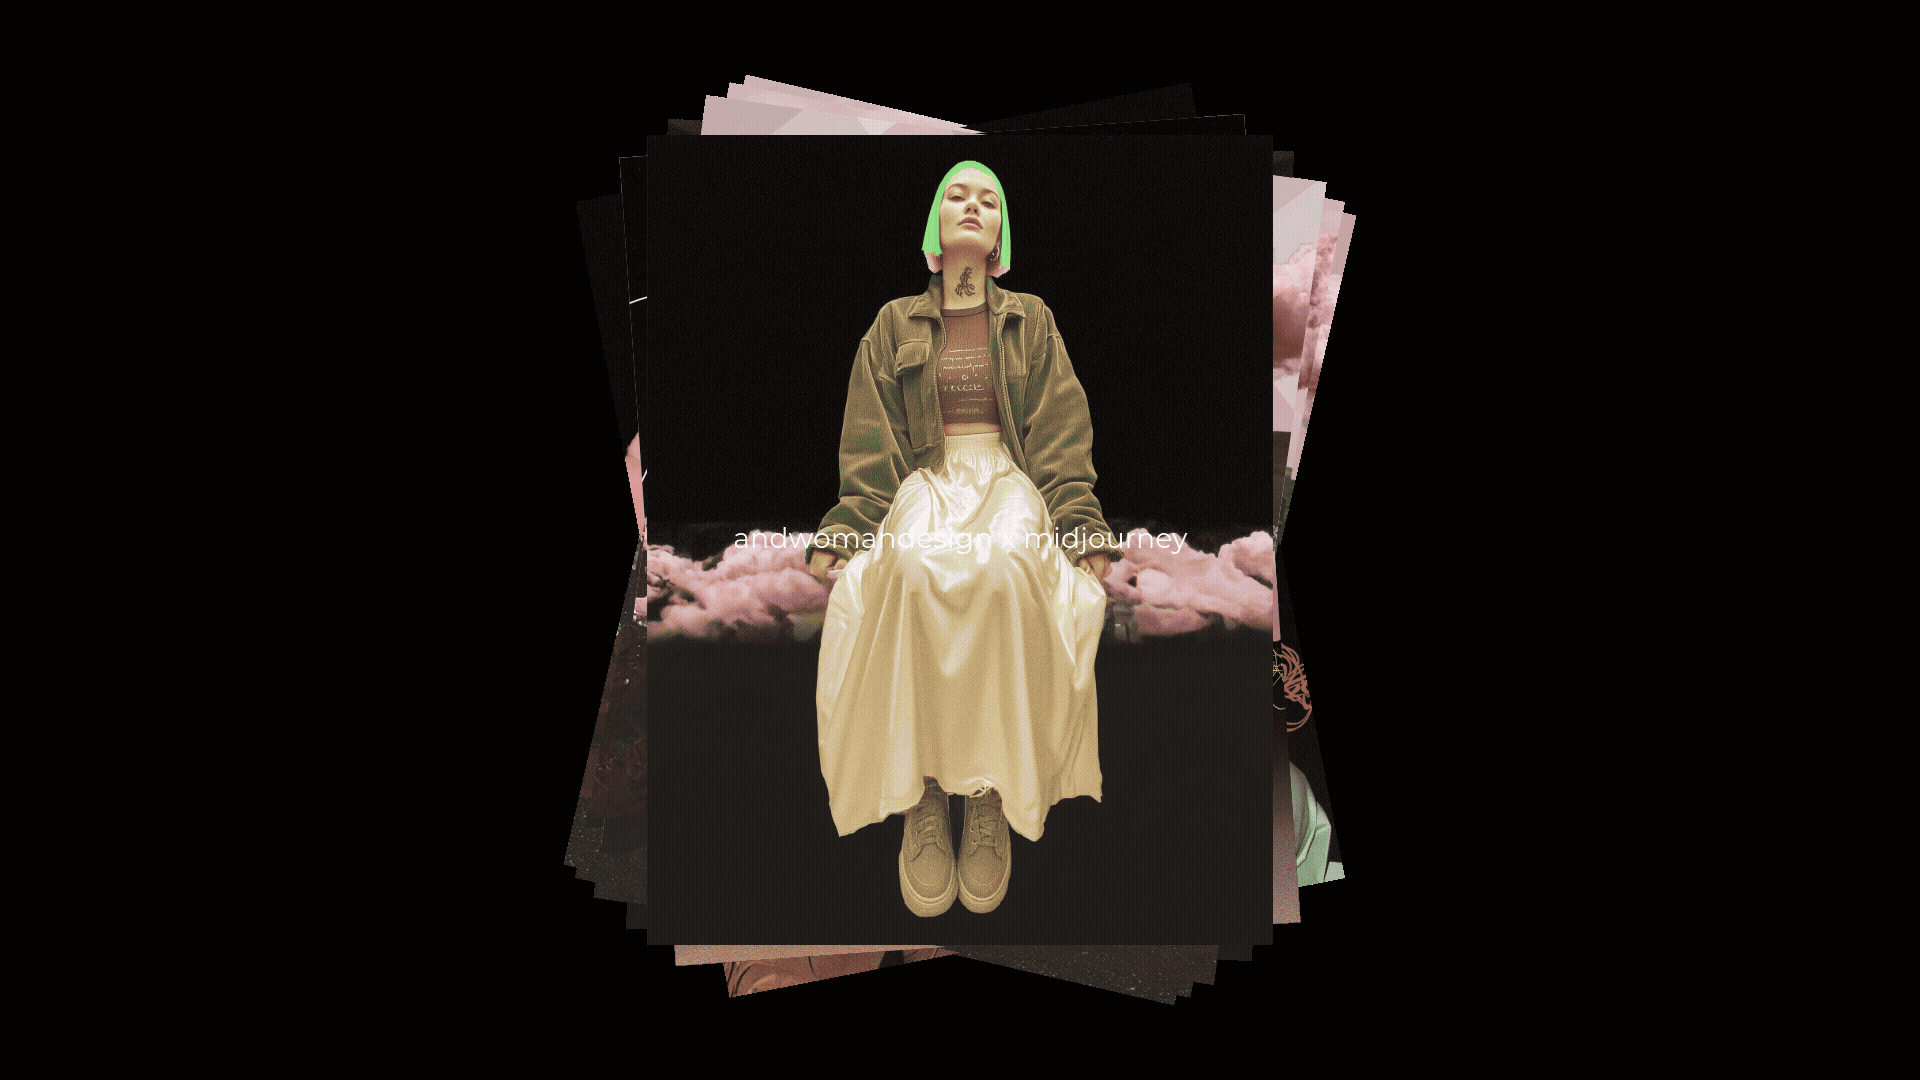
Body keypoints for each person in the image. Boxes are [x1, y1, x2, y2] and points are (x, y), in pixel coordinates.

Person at [804, 161, 1120, 918]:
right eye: (957, 195)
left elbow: (1060, 431)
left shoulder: (1032, 320)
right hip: (928, 476)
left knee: (1008, 566)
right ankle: (923, 789)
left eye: (989, 200)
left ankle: (987, 789)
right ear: (934, 226)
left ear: (1002, 232)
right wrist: (850, 526)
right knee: (911, 568)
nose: (973, 206)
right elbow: (871, 441)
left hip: (1005, 475)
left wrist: (1078, 523)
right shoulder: (892, 324)